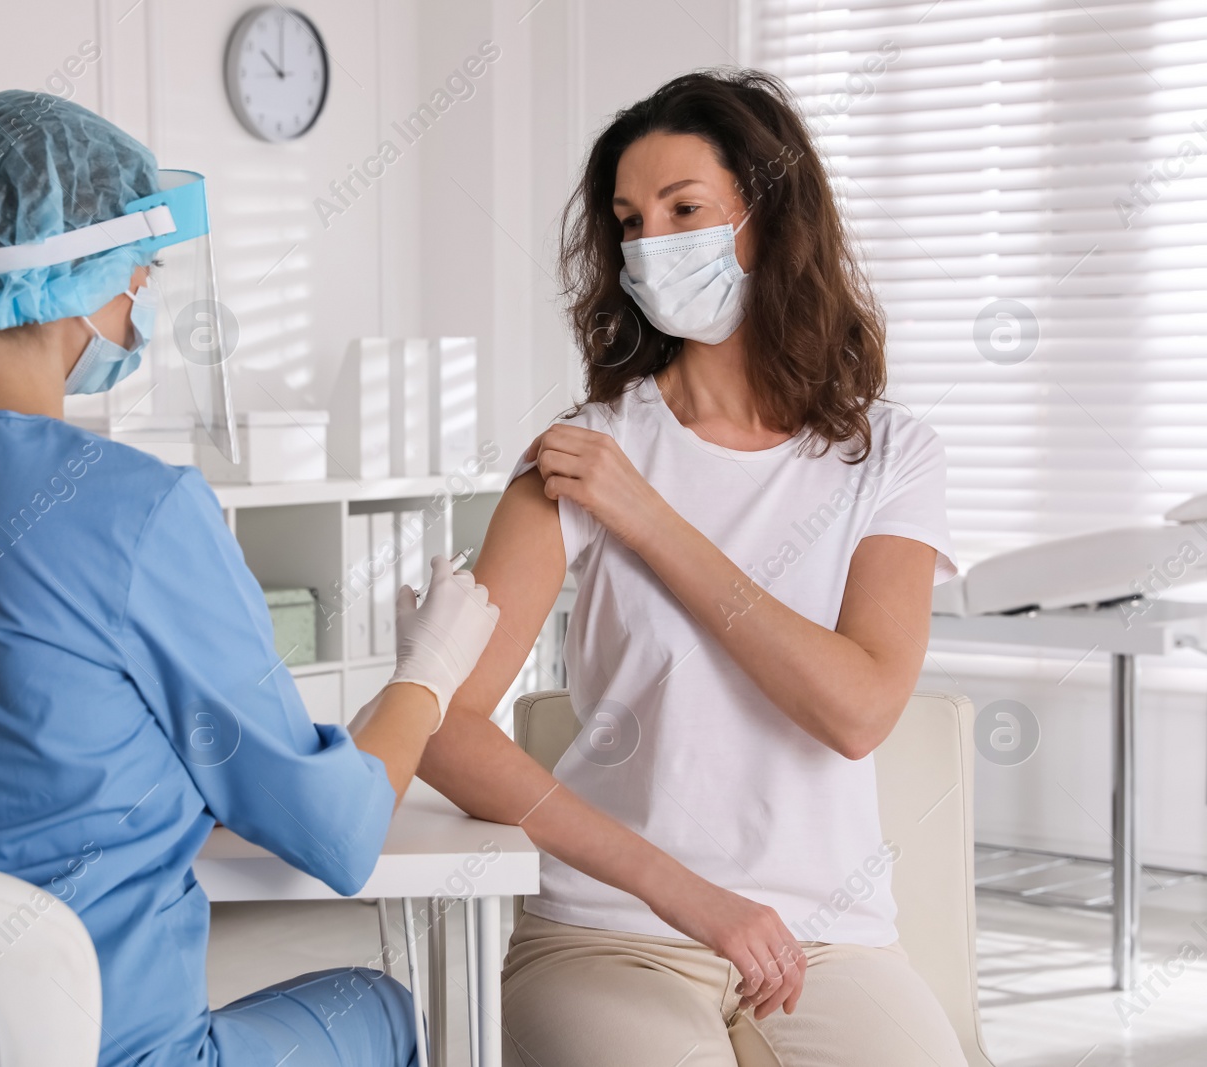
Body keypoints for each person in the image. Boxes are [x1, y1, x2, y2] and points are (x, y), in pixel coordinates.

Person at [0, 90, 499, 1067]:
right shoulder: (135, 507)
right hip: (113, 1050)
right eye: (141, 271)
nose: (142, 302)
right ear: (79, 283)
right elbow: (335, 831)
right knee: (378, 1003)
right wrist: (428, 670)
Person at [415, 70, 968, 1066]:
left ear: (770, 219)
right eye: (629, 220)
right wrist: (688, 893)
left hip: (828, 943)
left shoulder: (890, 455)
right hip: (611, 934)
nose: (651, 245)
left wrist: (649, 518)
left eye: (684, 210)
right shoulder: (580, 452)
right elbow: (439, 725)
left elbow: (857, 709)